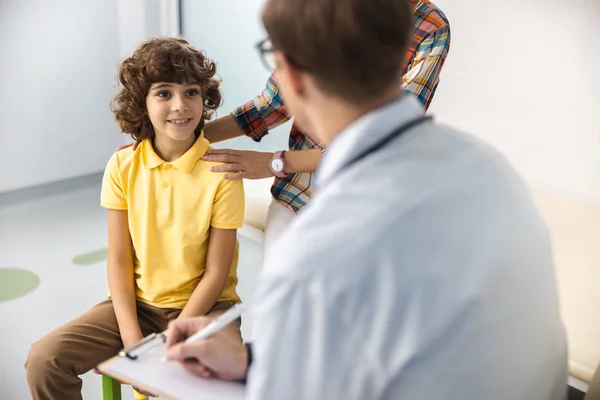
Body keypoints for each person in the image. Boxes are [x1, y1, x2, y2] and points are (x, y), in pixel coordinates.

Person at [163, 0, 568, 399]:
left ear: (291, 76)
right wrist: (253, 360)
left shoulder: (310, 259)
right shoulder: (493, 172)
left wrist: (273, 161)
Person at [119, 0, 451, 253]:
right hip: (300, 193)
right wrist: (173, 137)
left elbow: (382, 138)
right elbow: (269, 105)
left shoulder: (429, 26)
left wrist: (274, 163)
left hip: (373, 200)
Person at [24, 37, 245, 400]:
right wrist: (133, 342)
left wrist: (167, 342)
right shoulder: (123, 165)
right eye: (163, 93)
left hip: (206, 308)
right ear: (141, 102)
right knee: (43, 360)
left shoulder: (222, 171)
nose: (180, 105)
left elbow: (216, 273)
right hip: (137, 307)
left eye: (191, 92)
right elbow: (119, 259)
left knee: (204, 386)